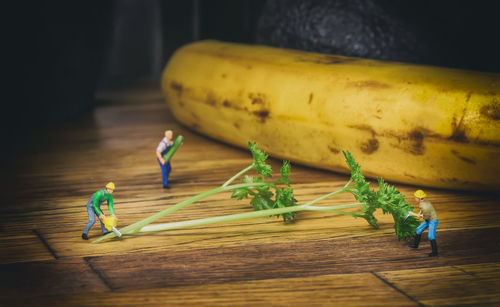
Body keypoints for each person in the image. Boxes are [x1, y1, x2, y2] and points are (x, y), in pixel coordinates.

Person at [408, 189, 438, 256]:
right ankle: (415, 245)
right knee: (418, 230)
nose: (415, 198)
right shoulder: (423, 202)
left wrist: (416, 215)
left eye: (416, 197)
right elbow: (422, 210)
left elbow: (425, 217)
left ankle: (435, 252)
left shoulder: (425, 207)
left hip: (433, 220)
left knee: (431, 236)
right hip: (428, 219)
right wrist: (420, 213)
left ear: (419, 198)